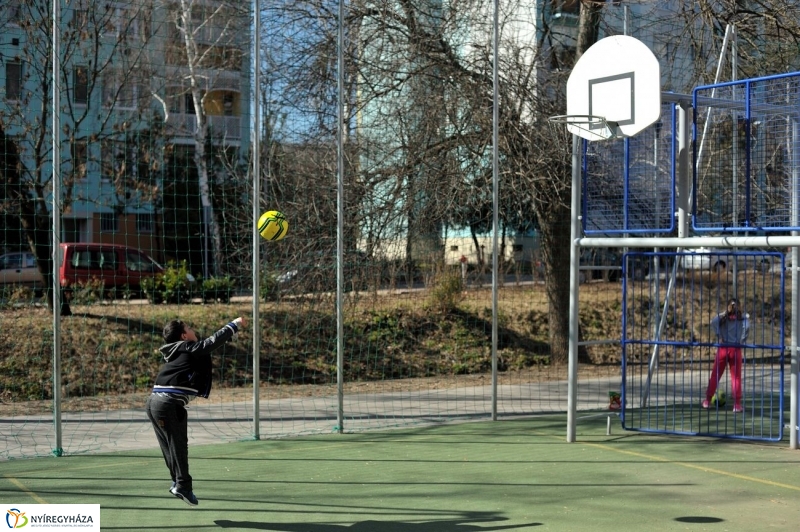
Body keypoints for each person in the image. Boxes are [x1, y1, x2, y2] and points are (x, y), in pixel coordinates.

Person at [145, 316, 247, 506]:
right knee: (178, 446)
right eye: (190, 328)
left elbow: (206, 350)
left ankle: (177, 482)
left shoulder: (178, 351)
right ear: (184, 336)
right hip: (167, 404)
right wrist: (234, 325)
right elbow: (211, 342)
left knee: (170, 446)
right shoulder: (187, 347)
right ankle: (183, 485)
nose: (194, 331)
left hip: (154, 402)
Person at [702, 298, 749, 413]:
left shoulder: (723, 317)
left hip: (723, 348)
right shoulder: (742, 318)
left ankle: (707, 401)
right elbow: (747, 327)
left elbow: (713, 321)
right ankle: (737, 405)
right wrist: (742, 340)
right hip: (735, 348)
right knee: (736, 378)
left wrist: (719, 335)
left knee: (715, 376)